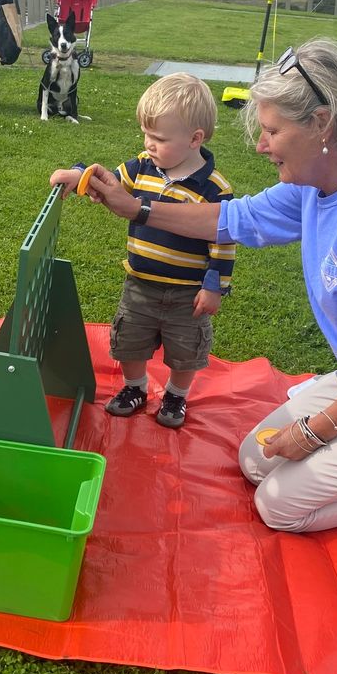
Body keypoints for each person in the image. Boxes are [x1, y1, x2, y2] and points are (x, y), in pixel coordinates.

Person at [76, 38, 337, 541]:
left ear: (321, 124)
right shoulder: (318, 179)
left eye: (272, 130)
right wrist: (137, 209)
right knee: (256, 460)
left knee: (280, 506)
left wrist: (315, 431)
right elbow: (238, 218)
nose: (261, 146)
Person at [50, 72, 236, 429]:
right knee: (128, 342)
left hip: (187, 294)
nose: (149, 144)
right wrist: (79, 176)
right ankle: (135, 388)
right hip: (140, 284)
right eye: (146, 134)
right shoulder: (141, 168)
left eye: (159, 138)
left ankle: (176, 395)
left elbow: (224, 240)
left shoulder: (214, 188)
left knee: (186, 350)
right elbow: (107, 183)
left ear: (195, 139)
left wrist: (215, 286)